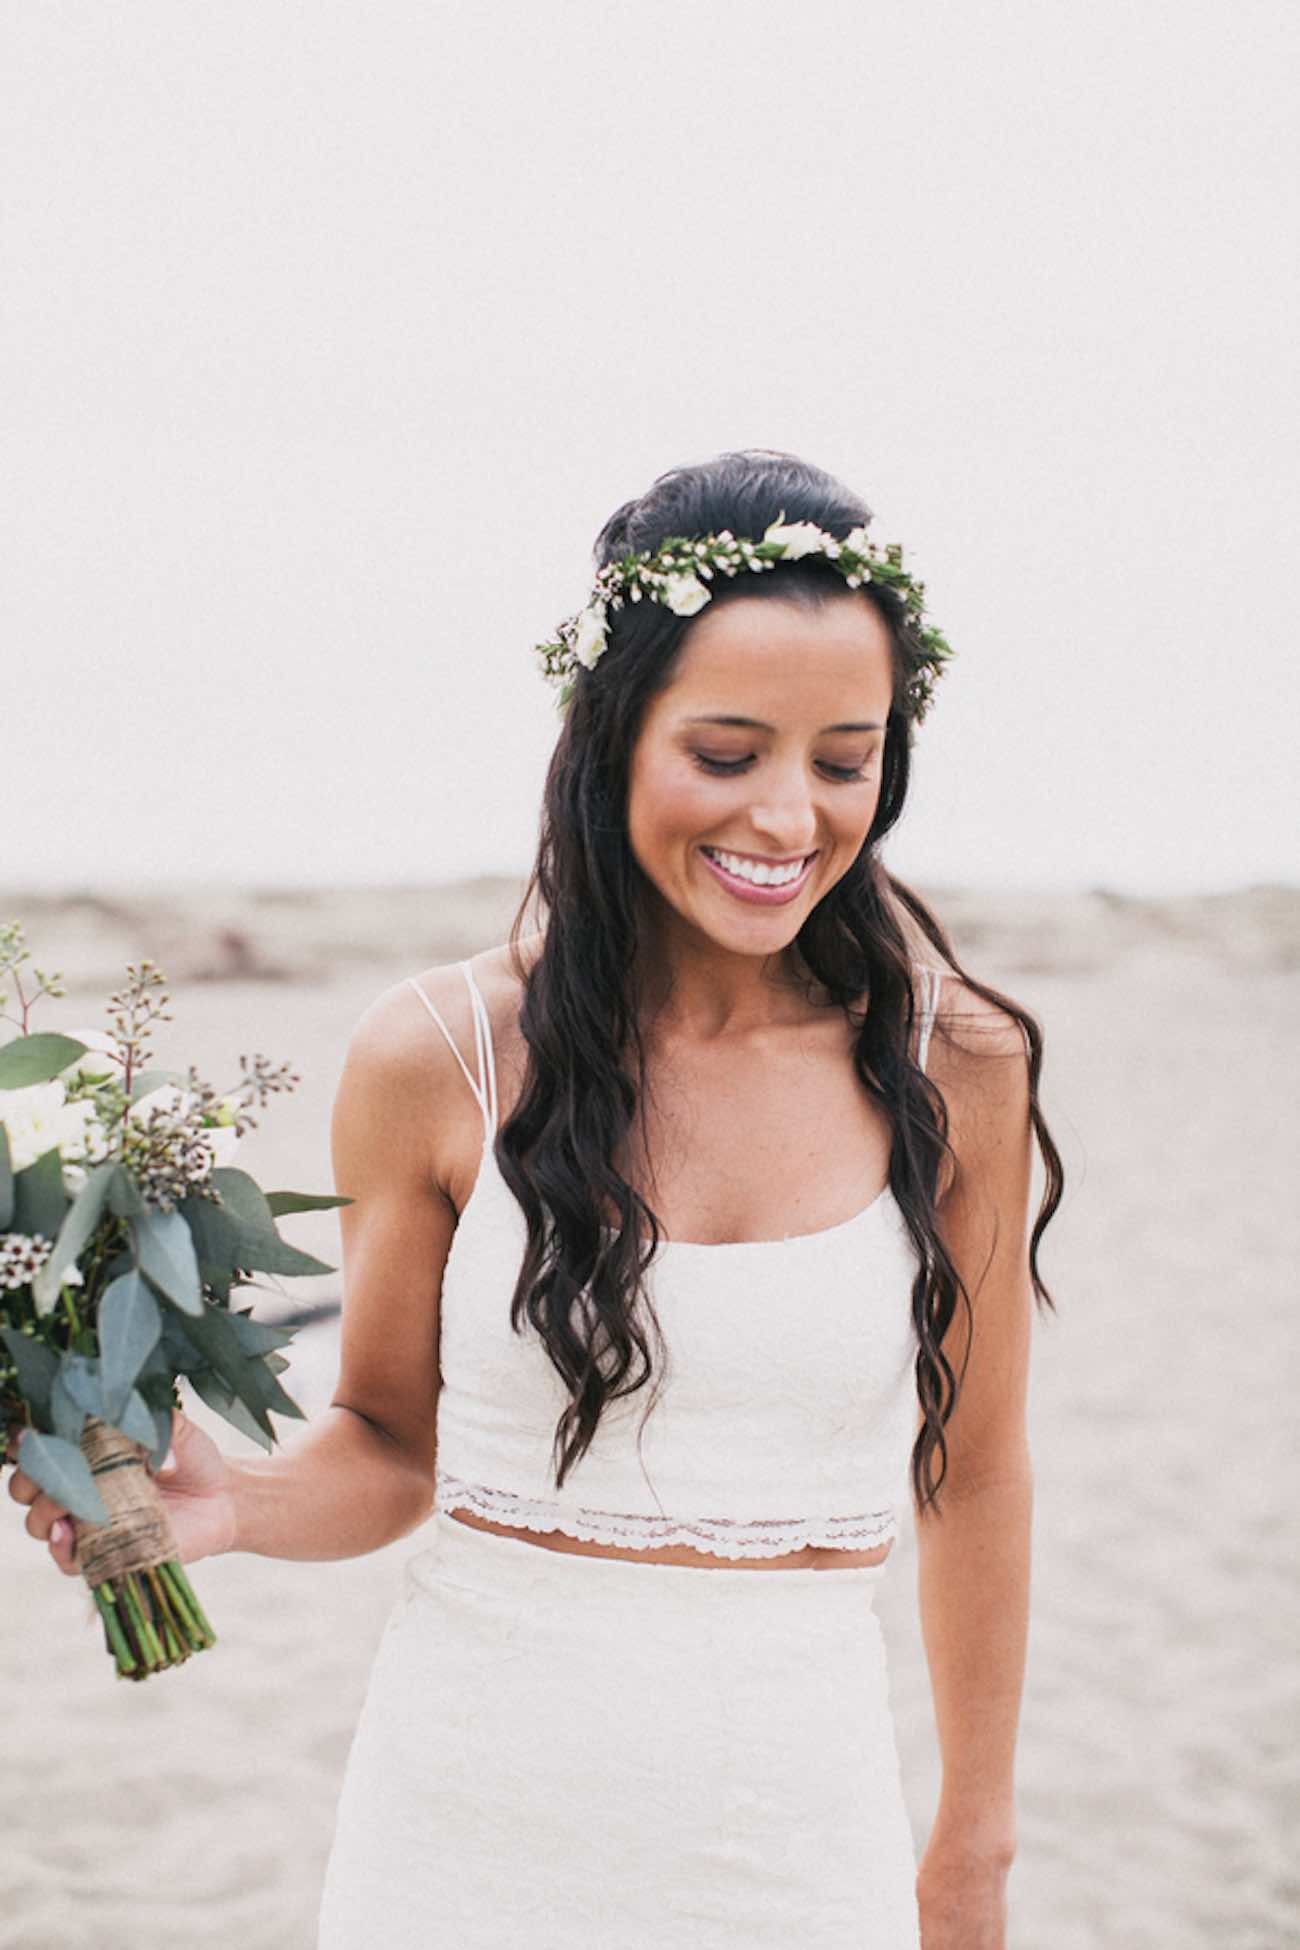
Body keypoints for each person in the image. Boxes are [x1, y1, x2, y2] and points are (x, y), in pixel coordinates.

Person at [9, 448, 1064, 1948]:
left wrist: (972, 1849)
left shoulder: (958, 1068)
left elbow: (979, 1474)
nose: (786, 817)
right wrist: (230, 1503)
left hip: (799, 1833)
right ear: (612, 735)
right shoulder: (435, 1055)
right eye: (725, 751)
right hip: (466, 1830)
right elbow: (389, 1443)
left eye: (844, 758)